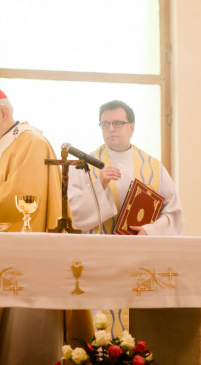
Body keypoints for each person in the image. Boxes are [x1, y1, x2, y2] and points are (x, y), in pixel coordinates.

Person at [0, 85, 90, 365]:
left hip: (24, 273)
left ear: (3, 113)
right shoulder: (4, 148)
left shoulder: (30, 143)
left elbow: (24, 201)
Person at [67, 99, 184, 335]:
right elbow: (73, 214)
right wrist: (100, 184)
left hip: (139, 259)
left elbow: (173, 212)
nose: (111, 129)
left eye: (118, 123)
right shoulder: (84, 165)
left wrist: (149, 231)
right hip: (100, 261)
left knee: (139, 331)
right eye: (105, 124)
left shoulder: (153, 166)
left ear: (131, 127)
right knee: (99, 331)